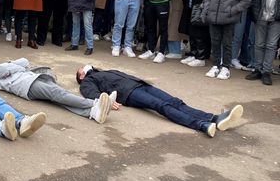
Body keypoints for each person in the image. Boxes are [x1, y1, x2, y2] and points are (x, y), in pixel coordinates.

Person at [75, 65, 245, 138]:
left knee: (174, 101)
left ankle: (214, 118)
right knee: (161, 106)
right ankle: (201, 125)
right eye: (80, 69)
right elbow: (90, 92)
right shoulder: (88, 81)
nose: (83, 67)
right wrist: (105, 101)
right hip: (129, 93)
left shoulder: (103, 71)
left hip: (139, 85)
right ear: (81, 76)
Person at [0, 58, 112, 123]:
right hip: (25, 85)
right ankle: (94, 103)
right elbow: (5, 70)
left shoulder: (3, 66)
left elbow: (24, 61)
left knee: (60, 96)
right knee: (58, 94)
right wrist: (12, 66)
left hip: (32, 78)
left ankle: (92, 112)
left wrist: (11, 64)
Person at [203, 0, 251, 80]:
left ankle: (225, 68)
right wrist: (208, 7)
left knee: (227, 43)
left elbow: (246, 1)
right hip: (213, 16)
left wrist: (231, 11)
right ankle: (215, 65)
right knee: (215, 42)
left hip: (229, 18)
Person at [245, 0, 280, 85]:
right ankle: (257, 69)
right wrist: (254, 9)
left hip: (276, 18)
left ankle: (266, 71)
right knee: (258, 43)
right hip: (261, 14)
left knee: (271, 45)